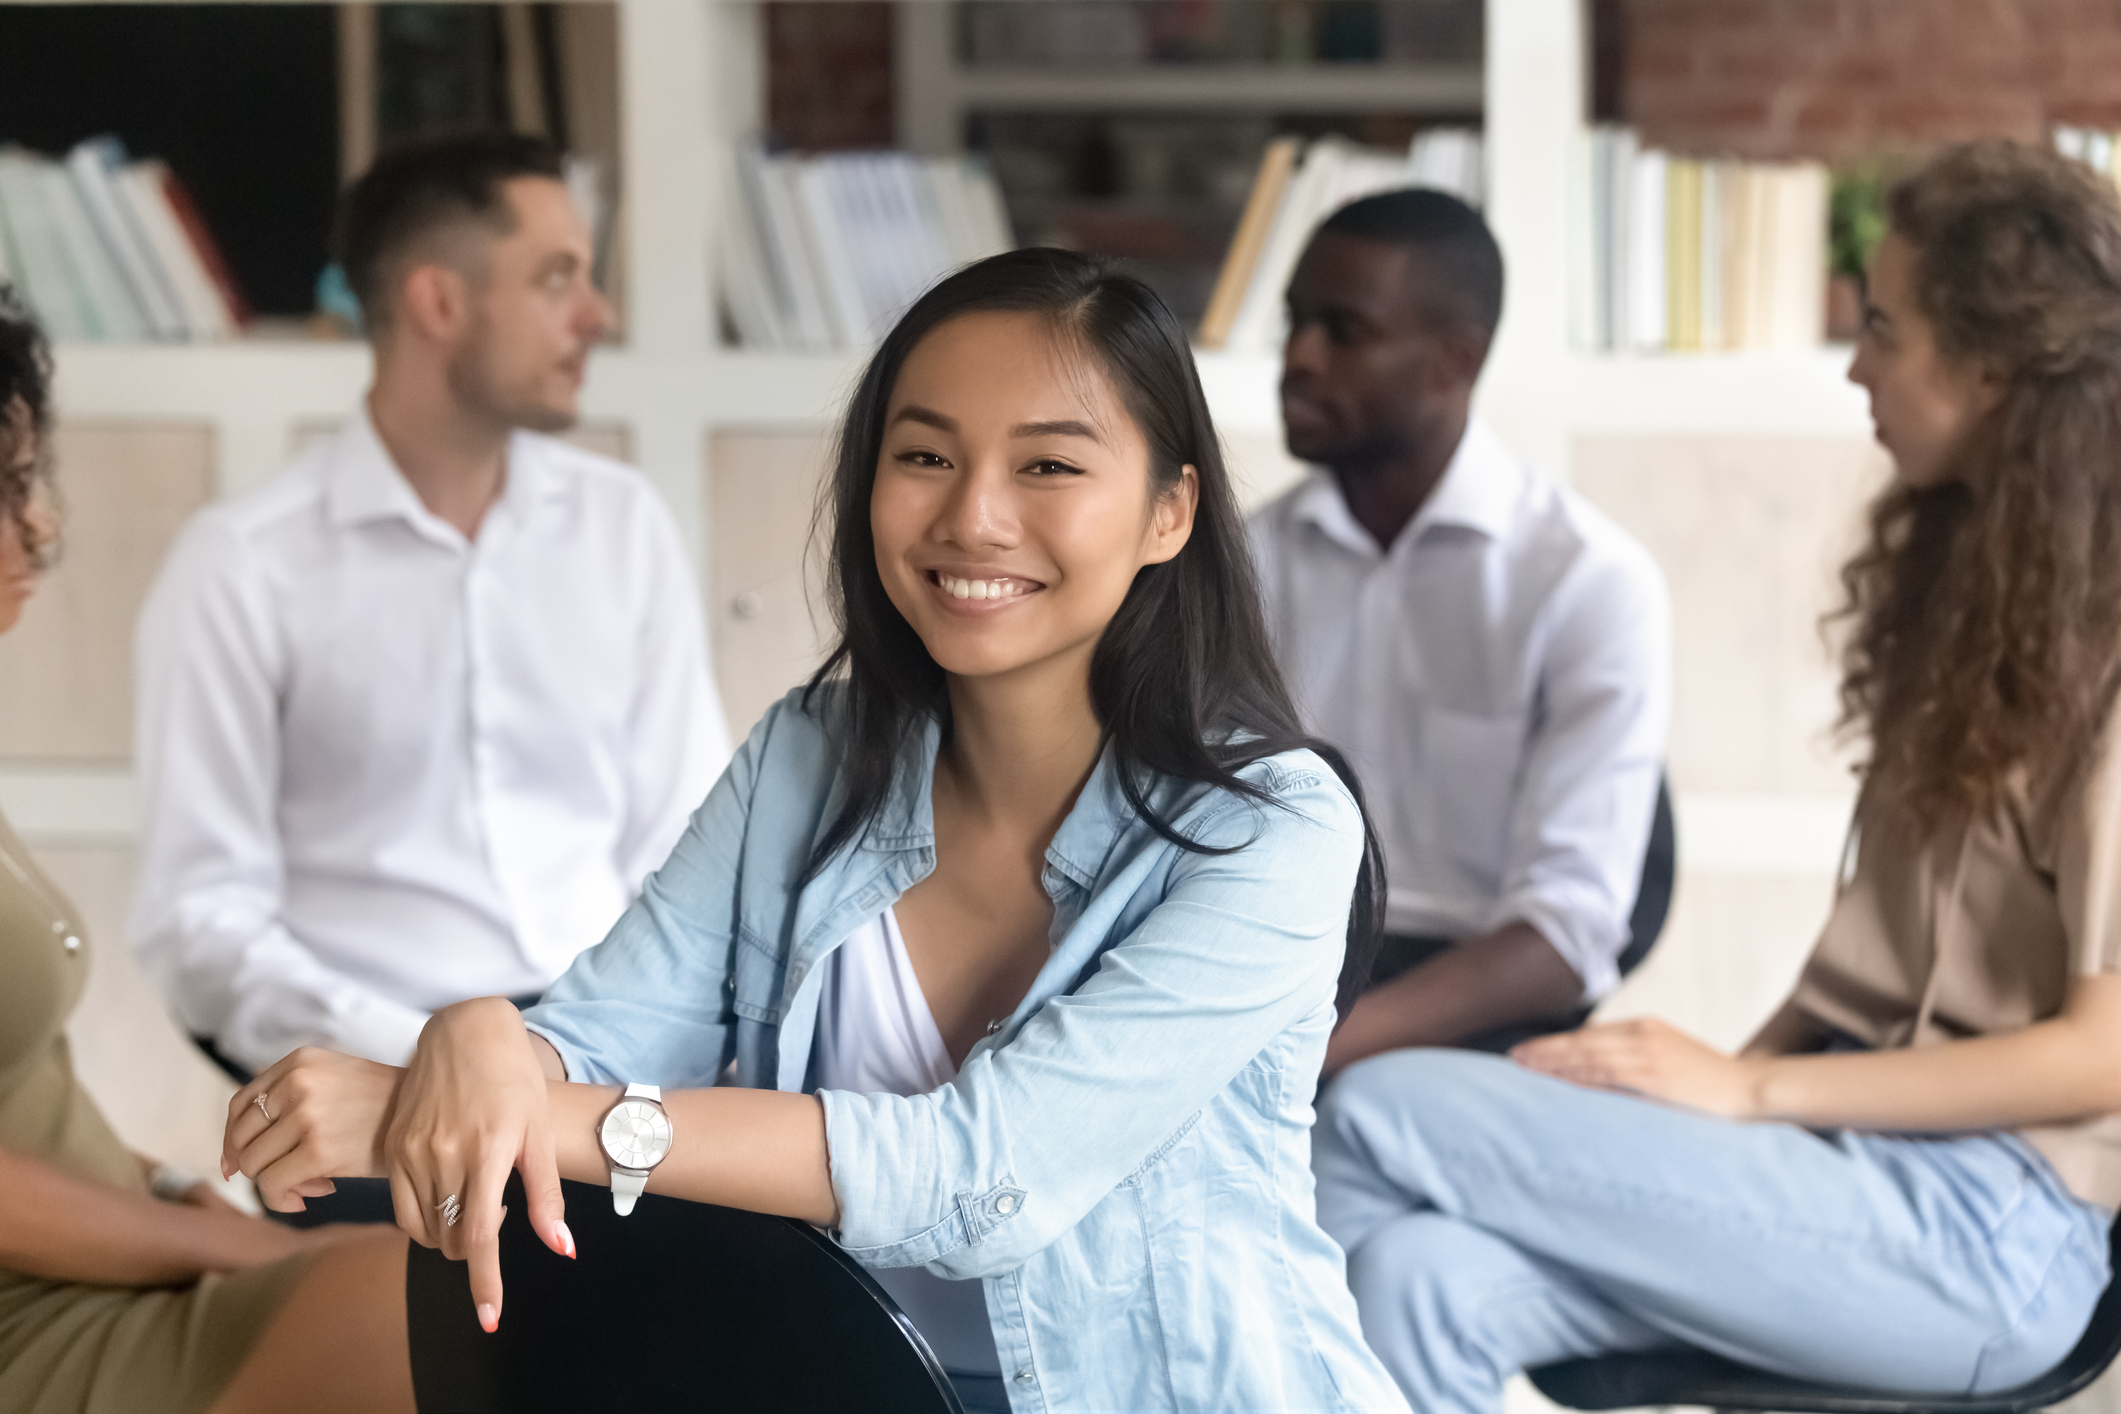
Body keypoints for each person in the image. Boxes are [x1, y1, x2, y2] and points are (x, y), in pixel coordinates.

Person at [220, 247, 1410, 1414]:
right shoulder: (811, 754)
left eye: (1049, 466)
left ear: (1170, 512)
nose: (974, 517)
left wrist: (421, 1111)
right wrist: (481, 1040)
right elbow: (603, 1032)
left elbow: (984, 1173)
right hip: (841, 1379)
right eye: (925, 454)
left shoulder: (1277, 831)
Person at [1308, 139, 2121, 1413]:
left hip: (1991, 1228)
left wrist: (1742, 1090)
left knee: (1378, 1104)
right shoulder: (1983, 622)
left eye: (1886, 330)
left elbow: (2107, 1054)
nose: (1855, 364)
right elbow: (1858, 983)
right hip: (1843, 1171)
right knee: (1416, 1278)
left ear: (1995, 367)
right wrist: (1688, 1110)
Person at [131, 131, 731, 1088]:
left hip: (607, 1065)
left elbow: (689, 846)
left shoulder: (624, 527)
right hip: (376, 1078)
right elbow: (200, 918)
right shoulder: (243, 564)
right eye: (556, 277)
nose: (597, 315)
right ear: (438, 302)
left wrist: (596, 1056)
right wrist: (428, 1064)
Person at [0, 285, 411, 1414]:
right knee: (444, 1314)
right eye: (14, 485)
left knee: (469, 1297)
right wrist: (234, 1251)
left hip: (110, 1257)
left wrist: (188, 1192)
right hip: (35, 1315)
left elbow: (31, 1104)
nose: (43, 528)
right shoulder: (249, 561)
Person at [1249, 188, 1672, 1071]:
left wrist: (1317, 1050)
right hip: (1270, 968)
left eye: (1342, 330)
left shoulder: (1585, 582)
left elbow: (1565, 935)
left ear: (1452, 362)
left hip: (1477, 1000)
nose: (1296, 358)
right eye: (1293, 323)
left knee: (1373, 1130)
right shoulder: (1242, 564)